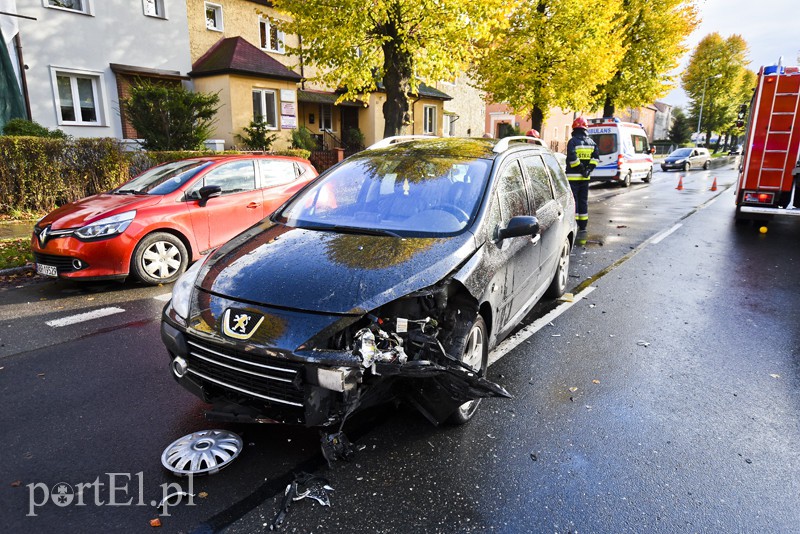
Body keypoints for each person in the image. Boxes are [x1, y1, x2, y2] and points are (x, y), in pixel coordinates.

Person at [565, 117, 599, 231]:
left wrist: (581, 169)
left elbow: (572, 158)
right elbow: (595, 159)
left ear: (574, 128)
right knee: (583, 200)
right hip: (585, 178)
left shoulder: (572, 142)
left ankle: (573, 223)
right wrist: (588, 170)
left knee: (574, 201)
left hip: (572, 178)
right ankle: (583, 224)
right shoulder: (592, 143)